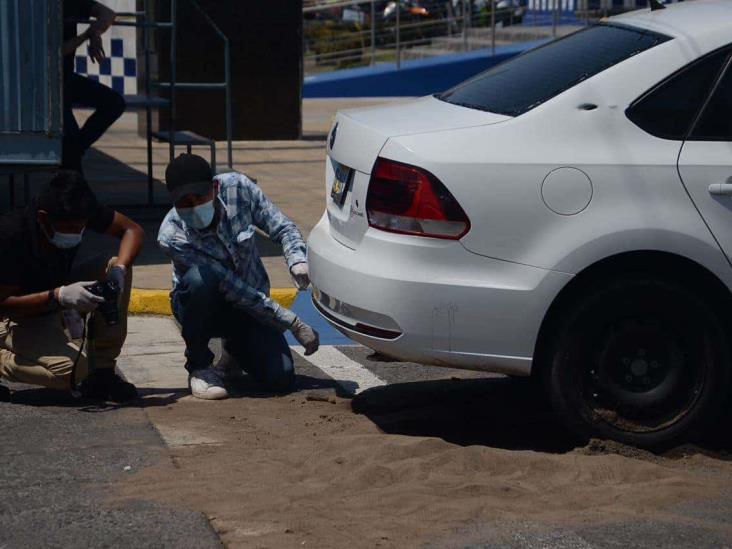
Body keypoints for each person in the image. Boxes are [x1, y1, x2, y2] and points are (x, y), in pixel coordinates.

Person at [158, 154, 320, 400]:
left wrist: (297, 260)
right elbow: (229, 285)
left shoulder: (239, 189)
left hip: (249, 308)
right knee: (201, 280)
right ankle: (199, 367)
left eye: (200, 198)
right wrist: (292, 322)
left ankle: (234, 352)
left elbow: (283, 227)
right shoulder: (171, 235)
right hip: (203, 307)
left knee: (280, 379)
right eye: (184, 203)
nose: (193, 207)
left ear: (214, 187)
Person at [0, 171, 144, 402]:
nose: (78, 232)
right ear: (44, 218)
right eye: (71, 228)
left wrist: (119, 272)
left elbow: (132, 230)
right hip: (17, 316)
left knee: (115, 264)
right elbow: (4, 305)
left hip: (55, 295)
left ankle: (104, 370)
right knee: (73, 372)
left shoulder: (78, 209)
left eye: (82, 227)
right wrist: (58, 297)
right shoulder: (11, 235)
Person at [62, 0, 126, 172]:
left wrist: (95, 32)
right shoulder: (41, 8)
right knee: (70, 136)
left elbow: (108, 14)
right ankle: (72, 154)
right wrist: (87, 35)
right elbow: (54, 51)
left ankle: (74, 151)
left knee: (115, 103)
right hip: (43, 83)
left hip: (65, 79)